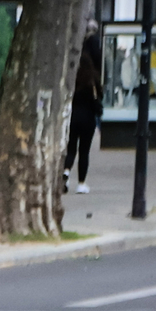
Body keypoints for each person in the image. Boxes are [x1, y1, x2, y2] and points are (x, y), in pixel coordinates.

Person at [66, 27, 103, 193]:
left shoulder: (73, 80)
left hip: (73, 116)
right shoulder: (93, 80)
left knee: (71, 147)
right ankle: (81, 183)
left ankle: (65, 173)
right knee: (84, 151)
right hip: (88, 119)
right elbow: (98, 98)